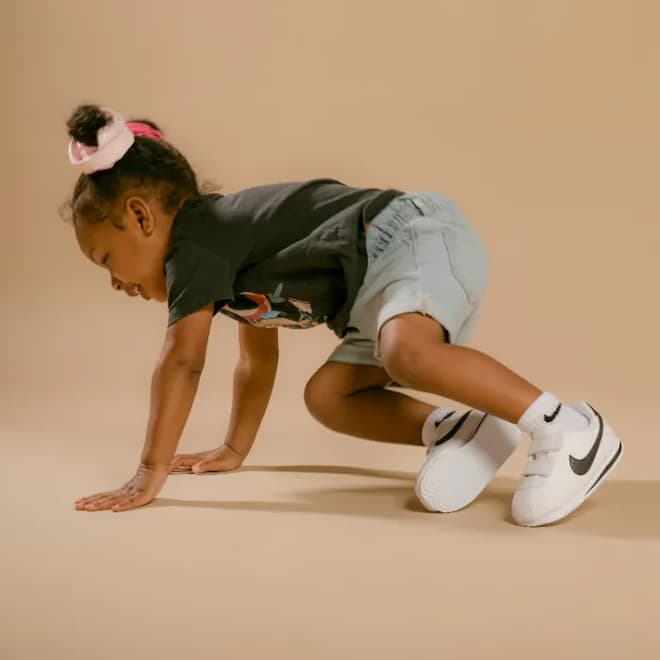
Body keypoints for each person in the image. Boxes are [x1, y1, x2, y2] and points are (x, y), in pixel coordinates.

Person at [68, 104, 623, 525]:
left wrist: (149, 470)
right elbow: (256, 361)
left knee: (405, 354)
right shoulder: (225, 263)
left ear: (141, 216)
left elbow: (183, 361)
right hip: (378, 293)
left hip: (409, 237)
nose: (116, 282)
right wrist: (235, 449)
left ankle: (568, 428)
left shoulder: (196, 241)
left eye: (106, 261)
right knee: (328, 396)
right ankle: (462, 431)